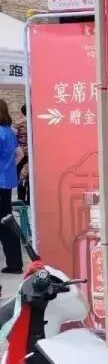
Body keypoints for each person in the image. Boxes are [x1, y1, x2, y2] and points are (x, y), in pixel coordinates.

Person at [0, 101, 23, 274]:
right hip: (6, 183)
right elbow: (19, 154)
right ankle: (15, 263)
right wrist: (8, 169)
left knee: (5, 223)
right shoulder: (8, 131)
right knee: (6, 221)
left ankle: (14, 264)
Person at [15, 105, 28, 204]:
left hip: (20, 153)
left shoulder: (18, 123)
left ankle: (21, 200)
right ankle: (28, 201)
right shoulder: (33, 123)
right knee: (29, 178)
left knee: (21, 176)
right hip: (29, 154)